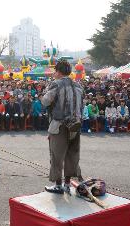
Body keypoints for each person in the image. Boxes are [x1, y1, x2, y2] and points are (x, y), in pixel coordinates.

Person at [41, 60, 83, 194]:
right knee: (72, 155)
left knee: (56, 155)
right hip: (75, 125)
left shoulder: (56, 84)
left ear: (58, 72)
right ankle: (67, 184)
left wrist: (44, 93)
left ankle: (58, 185)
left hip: (59, 125)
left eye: (55, 71)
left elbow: (45, 101)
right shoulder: (78, 86)